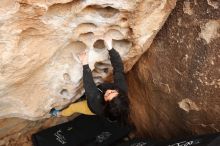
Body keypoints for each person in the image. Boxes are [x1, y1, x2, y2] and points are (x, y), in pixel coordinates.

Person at [50, 38, 130, 124]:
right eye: (113, 92)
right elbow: (118, 68)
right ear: (119, 93)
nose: (109, 91)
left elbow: (89, 86)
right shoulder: (121, 89)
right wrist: (110, 48)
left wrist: (85, 63)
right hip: (100, 94)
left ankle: (59, 113)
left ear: (106, 104)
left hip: (90, 107)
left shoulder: (97, 105)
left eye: (108, 95)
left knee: (73, 107)